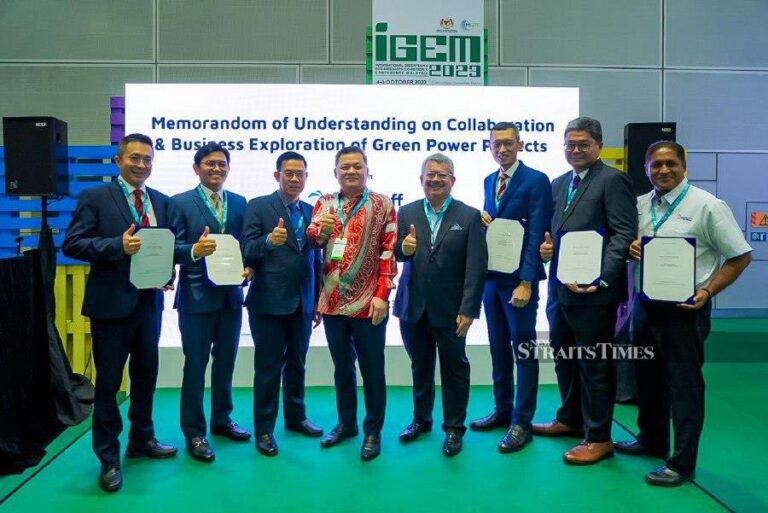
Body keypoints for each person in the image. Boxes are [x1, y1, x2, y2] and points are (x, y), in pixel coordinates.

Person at [614, 141, 752, 486]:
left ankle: (682, 462)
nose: (663, 170)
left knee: (684, 387)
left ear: (683, 166)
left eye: (670, 164)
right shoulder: (640, 205)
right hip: (646, 307)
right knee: (647, 381)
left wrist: (707, 291)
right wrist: (633, 249)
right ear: (645, 169)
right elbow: (635, 248)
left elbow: (740, 256)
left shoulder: (708, 206)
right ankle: (651, 440)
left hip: (685, 311)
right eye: (656, 165)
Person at [62, 133, 177, 492]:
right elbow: (73, 244)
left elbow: (162, 248)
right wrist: (118, 246)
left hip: (149, 305)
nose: (141, 164)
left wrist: (168, 272)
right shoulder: (95, 197)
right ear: (118, 160)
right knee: (109, 385)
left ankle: (142, 439)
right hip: (111, 308)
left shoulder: (161, 201)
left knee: (146, 376)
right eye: (135, 158)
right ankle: (108, 458)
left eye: (147, 159)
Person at [536, 117, 637, 465]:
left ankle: (599, 438)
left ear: (598, 145)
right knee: (564, 358)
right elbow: (555, 233)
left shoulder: (613, 180)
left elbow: (623, 235)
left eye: (582, 144)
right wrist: (546, 252)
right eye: (570, 144)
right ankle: (569, 419)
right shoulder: (559, 183)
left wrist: (601, 278)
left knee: (595, 365)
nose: (575, 150)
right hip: (560, 289)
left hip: (595, 293)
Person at [306, 146, 397, 461]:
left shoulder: (383, 204)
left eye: (357, 166)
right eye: (345, 167)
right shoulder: (325, 203)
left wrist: (383, 295)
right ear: (336, 172)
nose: (351, 171)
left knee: (373, 370)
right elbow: (314, 240)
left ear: (366, 170)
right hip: (332, 303)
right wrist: (321, 231)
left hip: (369, 303)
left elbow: (388, 253)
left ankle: (373, 431)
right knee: (342, 368)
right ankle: (346, 424)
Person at [393, 153, 487, 457]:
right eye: (429, 174)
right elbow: (398, 253)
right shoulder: (405, 212)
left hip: (451, 309)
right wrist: (403, 249)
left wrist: (469, 309)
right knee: (420, 366)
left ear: (452, 181)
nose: (435, 179)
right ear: (421, 179)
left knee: (454, 367)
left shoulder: (469, 216)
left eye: (442, 175)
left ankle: (454, 429)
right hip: (413, 307)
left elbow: (476, 266)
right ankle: (421, 420)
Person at [470, 122, 553, 454]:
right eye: (496, 144)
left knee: (523, 350)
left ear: (520, 144)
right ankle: (502, 409)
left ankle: (522, 421)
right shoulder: (490, 180)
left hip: (519, 281)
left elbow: (536, 233)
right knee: (497, 348)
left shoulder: (536, 180)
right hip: (493, 278)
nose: (501, 149)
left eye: (508, 143)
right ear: (490, 147)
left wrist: (527, 281)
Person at [169, 142, 250, 463]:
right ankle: (194, 431)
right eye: (209, 164)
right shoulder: (180, 203)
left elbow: (247, 243)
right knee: (196, 364)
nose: (216, 169)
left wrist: (249, 267)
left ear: (228, 168)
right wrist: (193, 249)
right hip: (195, 297)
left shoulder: (240, 203)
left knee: (226, 362)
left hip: (231, 296)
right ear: (196, 168)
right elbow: (171, 245)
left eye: (222, 164)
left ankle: (221, 419)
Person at [241, 151, 324, 457]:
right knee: (267, 367)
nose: (294, 178)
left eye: (299, 173)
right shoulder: (259, 206)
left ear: (306, 177)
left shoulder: (311, 210)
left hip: (302, 302)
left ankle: (296, 417)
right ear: (277, 176)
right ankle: (264, 429)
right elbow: (246, 247)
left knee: (298, 363)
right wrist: (268, 242)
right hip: (268, 302)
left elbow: (316, 258)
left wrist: (316, 300)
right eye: (288, 173)